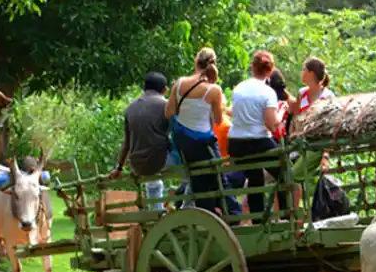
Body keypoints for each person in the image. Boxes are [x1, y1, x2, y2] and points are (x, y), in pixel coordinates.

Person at [165, 47, 241, 217]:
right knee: (219, 180)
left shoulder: (179, 84)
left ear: (196, 62)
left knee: (198, 180)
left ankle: (206, 214)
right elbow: (218, 120)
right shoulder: (213, 90)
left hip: (184, 143)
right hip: (204, 143)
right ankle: (234, 215)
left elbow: (169, 113)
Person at [227, 50, 289, 223]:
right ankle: (285, 216)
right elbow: (271, 124)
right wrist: (281, 112)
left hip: (236, 143)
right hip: (257, 141)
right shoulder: (267, 92)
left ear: (252, 68)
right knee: (285, 173)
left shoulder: (238, 88)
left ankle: (257, 220)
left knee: (255, 178)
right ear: (270, 71)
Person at [110, 72, 172, 211]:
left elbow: (127, 143)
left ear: (144, 88)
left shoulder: (131, 108)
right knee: (190, 172)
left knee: (153, 182)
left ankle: (157, 212)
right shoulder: (165, 105)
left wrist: (119, 168)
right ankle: (185, 205)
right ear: (164, 90)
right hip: (159, 160)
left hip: (137, 163)